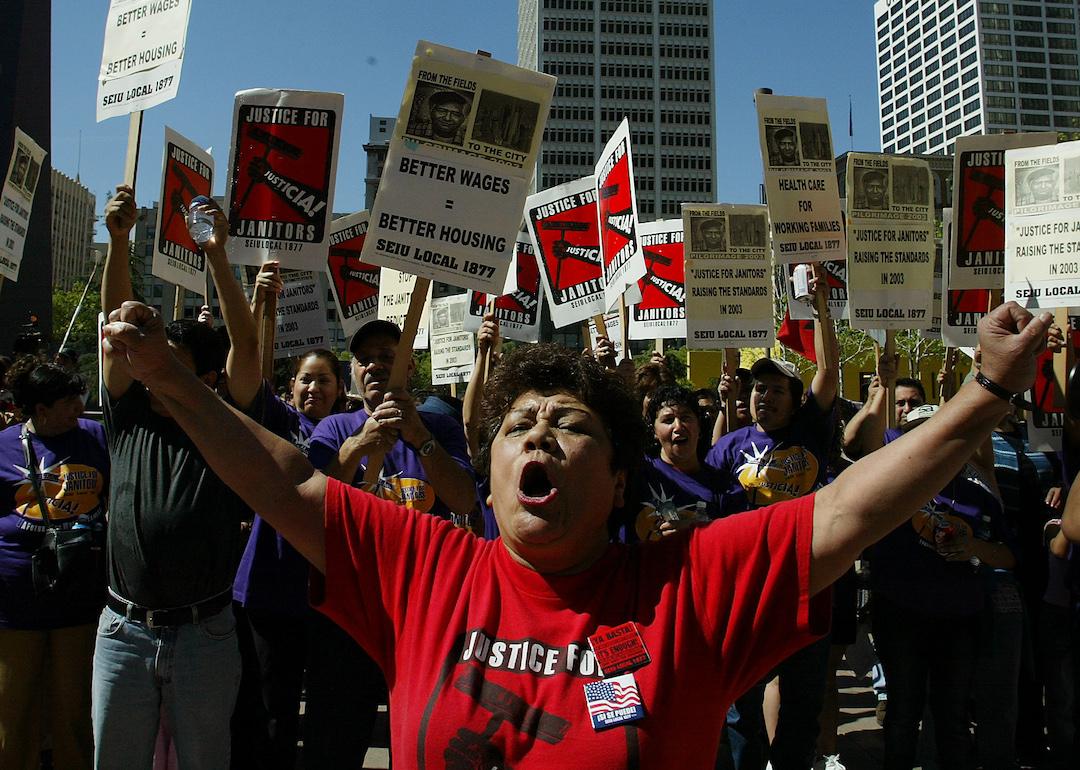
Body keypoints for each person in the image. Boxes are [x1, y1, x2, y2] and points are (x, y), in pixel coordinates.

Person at [101, 296, 1053, 767]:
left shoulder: (691, 580)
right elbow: (291, 477)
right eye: (518, 426)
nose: (538, 435)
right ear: (496, 469)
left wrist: (988, 389)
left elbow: (848, 508)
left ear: (619, 483)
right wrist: (172, 381)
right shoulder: (427, 565)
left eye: (570, 425)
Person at [94, 185, 262, 768]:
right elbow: (114, 329)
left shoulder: (225, 425)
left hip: (204, 637)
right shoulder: (129, 416)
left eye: (171, 366)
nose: (152, 371)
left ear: (209, 381)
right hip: (123, 633)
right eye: (148, 361)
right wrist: (120, 242)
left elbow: (246, 344)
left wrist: (218, 255)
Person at [300, 317, 476, 768]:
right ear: (352, 373)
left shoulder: (439, 424)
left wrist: (420, 437)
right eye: (365, 360)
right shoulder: (335, 428)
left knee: (419, 742)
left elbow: (463, 499)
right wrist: (359, 445)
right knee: (334, 743)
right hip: (352, 611)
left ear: (409, 368)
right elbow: (314, 506)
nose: (375, 366)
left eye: (386, 357)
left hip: (424, 613)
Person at [707, 264, 839, 769]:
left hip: (805, 584)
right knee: (743, 704)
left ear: (794, 399)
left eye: (776, 389)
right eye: (758, 389)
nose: (764, 396)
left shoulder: (810, 433)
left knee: (803, 705)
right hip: (748, 592)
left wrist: (822, 305)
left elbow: (828, 373)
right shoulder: (728, 446)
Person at [869, 403, 1017, 770]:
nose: (927, 440)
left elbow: (1007, 556)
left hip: (959, 621)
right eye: (916, 432)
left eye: (935, 430)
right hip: (901, 617)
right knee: (902, 712)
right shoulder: (885, 486)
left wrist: (974, 548)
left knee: (952, 717)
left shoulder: (978, 495)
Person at [231, 344, 344, 770]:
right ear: (291, 386)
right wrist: (263, 307)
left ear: (340, 388)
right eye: (306, 379)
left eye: (324, 380)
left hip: (329, 593)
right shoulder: (278, 420)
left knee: (327, 710)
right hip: (271, 586)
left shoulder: (351, 429)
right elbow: (247, 380)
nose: (314, 387)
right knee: (268, 708)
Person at [0, 357, 108, 770]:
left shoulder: (96, 438)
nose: (79, 407)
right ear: (40, 410)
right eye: (68, 401)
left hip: (79, 597)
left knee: (73, 709)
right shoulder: (5, 445)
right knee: (14, 709)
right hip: (14, 601)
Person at [629, 385, 721, 542]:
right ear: (654, 432)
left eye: (685, 418)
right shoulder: (635, 473)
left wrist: (702, 532)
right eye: (668, 420)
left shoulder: (724, 485)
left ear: (699, 427)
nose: (678, 427)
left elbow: (741, 538)